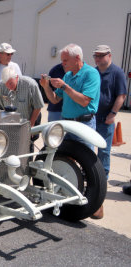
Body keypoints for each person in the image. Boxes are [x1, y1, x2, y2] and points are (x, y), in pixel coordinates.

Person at [40, 43, 100, 151]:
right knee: (64, 158)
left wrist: (64, 87)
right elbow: (54, 99)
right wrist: (46, 86)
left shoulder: (91, 73)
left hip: (84, 125)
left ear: (77, 58)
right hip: (66, 124)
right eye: (62, 60)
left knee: (85, 160)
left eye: (65, 60)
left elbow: (84, 101)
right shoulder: (68, 75)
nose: (62, 63)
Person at [92, 45, 127, 219]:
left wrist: (112, 114)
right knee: (88, 154)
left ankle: (99, 199)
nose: (97, 59)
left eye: (100, 56)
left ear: (109, 55)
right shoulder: (93, 72)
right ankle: (91, 187)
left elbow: (121, 95)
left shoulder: (117, 72)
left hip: (105, 121)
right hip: (90, 119)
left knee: (103, 156)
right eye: (95, 56)